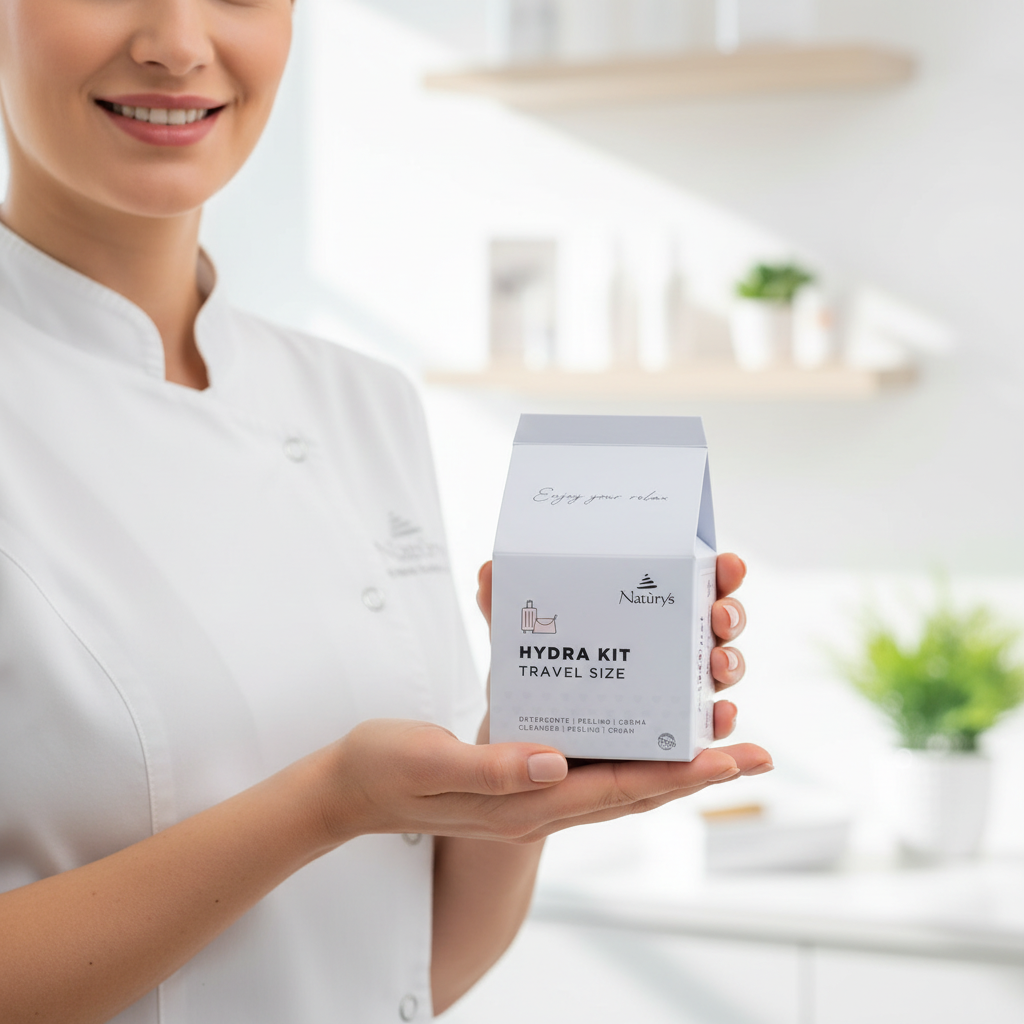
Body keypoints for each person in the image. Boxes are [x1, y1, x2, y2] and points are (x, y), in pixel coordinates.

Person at [0, 2, 772, 1022]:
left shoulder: (360, 399)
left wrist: (536, 750)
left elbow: (412, 973)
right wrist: (325, 806)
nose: (178, 45)